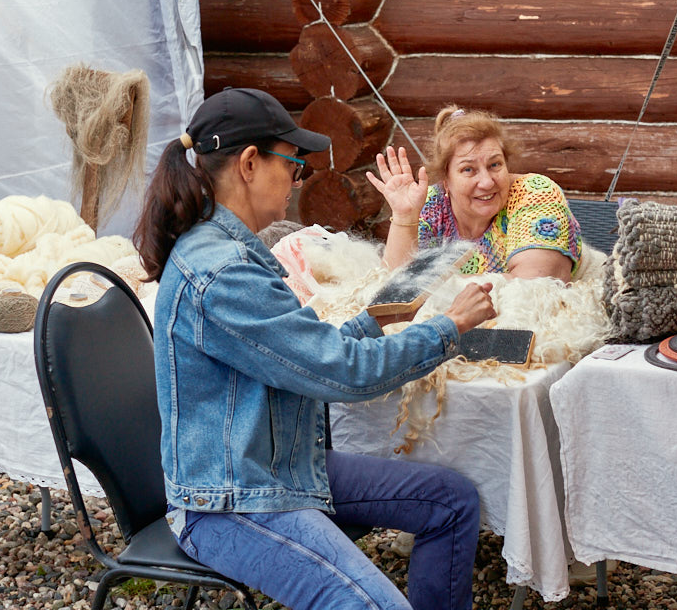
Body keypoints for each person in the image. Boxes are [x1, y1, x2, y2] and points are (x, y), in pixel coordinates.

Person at [133, 88, 496, 610]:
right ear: (251, 164)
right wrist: (448, 327)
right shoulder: (224, 271)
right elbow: (343, 375)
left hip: (279, 467)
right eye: (295, 166)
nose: (297, 183)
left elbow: (304, 355)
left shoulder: (231, 251)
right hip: (232, 503)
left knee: (450, 501)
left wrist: (377, 319)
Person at [366, 105, 582, 282]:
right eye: (468, 169)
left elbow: (536, 286)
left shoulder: (535, 193)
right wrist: (405, 217)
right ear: (446, 181)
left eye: (495, 164)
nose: (487, 182)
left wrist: (437, 290)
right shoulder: (430, 203)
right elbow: (394, 288)